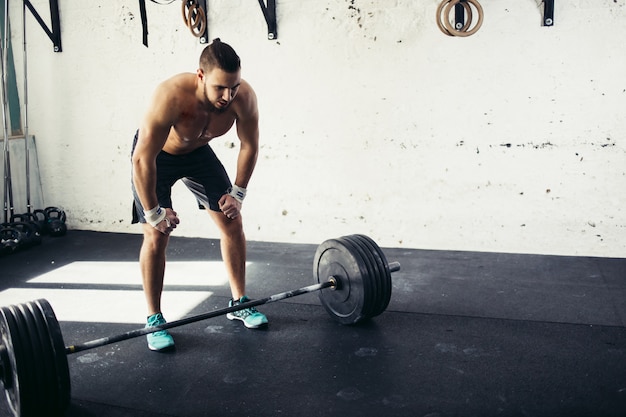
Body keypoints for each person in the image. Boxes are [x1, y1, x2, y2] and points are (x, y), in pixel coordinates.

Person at [131, 38, 267, 352]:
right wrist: (155, 213)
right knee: (155, 235)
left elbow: (250, 145)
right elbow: (142, 159)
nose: (227, 95)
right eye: (220, 87)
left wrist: (238, 193)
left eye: (233, 87)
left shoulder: (242, 97)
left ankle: (239, 303)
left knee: (232, 222)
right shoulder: (171, 95)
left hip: (198, 154)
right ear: (201, 76)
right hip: (158, 157)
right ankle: (155, 319)